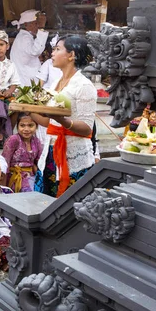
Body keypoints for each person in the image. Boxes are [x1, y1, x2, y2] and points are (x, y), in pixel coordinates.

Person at [31, 36, 97, 198]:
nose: (52, 53)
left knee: (69, 209)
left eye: (57, 49)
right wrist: (27, 109)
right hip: (50, 153)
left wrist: (63, 120)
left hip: (73, 156)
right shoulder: (56, 83)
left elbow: (86, 128)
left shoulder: (84, 85)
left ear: (71, 55)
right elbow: (49, 122)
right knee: (45, 203)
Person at [2, 113, 43, 193]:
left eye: (30, 125)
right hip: (14, 177)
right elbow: (5, 162)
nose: (26, 129)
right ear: (17, 127)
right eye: (22, 125)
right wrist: (4, 187)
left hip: (30, 176)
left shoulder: (36, 141)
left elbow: (40, 162)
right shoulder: (13, 140)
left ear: (36, 127)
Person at [10, 9, 49, 87]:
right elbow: (35, 51)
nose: (37, 26)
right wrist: (41, 28)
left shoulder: (24, 36)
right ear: (26, 25)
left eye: (38, 24)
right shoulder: (24, 37)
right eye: (36, 23)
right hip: (25, 83)